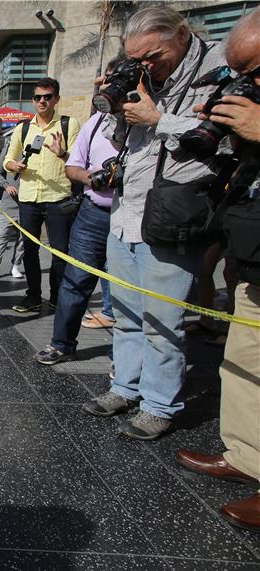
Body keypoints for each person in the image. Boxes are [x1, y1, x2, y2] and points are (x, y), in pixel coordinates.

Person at [83, 5, 229, 440]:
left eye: (153, 56)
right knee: (126, 312)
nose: (146, 66)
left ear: (181, 34)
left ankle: (160, 404)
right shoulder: (143, 78)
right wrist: (114, 104)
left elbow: (223, 137)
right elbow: (118, 140)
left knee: (163, 321)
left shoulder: (217, 68)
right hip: (126, 211)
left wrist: (158, 118)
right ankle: (125, 386)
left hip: (172, 215)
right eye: (137, 58)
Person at [175, 7, 260, 531]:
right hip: (251, 258)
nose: (247, 84)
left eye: (254, 69)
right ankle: (248, 456)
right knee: (243, 365)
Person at [35, 60, 123, 365]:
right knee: (75, 281)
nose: (106, 84)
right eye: (105, 80)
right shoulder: (96, 122)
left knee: (126, 289)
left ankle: (124, 359)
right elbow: (74, 166)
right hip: (93, 213)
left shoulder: (147, 117)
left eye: (114, 80)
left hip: (134, 216)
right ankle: (62, 343)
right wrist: (94, 178)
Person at [3, 77, 80, 313]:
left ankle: (57, 297)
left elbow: (78, 162)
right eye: (38, 97)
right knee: (29, 249)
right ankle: (33, 295)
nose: (42, 101)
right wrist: (13, 166)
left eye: (47, 97)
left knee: (60, 251)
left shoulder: (69, 124)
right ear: (32, 100)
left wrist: (62, 153)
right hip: (28, 198)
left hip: (58, 198)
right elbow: (7, 159)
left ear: (56, 99)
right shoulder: (23, 127)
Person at [0, 135, 24, 280]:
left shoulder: (37, 150)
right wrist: (7, 186)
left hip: (28, 202)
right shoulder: (9, 150)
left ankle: (15, 266)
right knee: (3, 235)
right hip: (9, 203)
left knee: (23, 239)